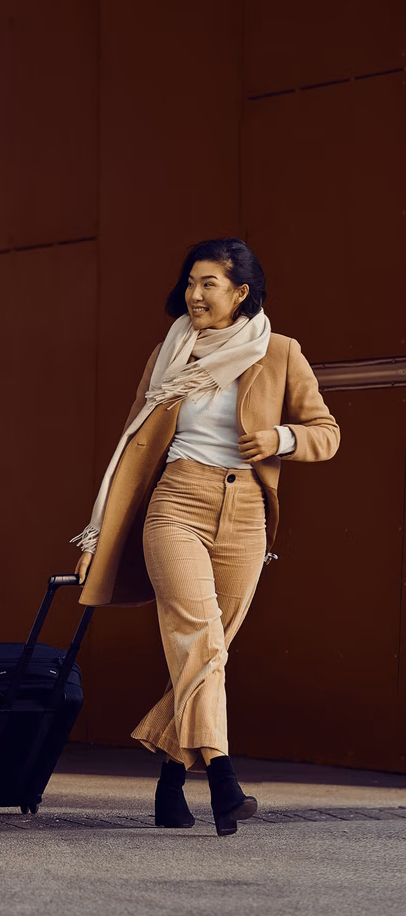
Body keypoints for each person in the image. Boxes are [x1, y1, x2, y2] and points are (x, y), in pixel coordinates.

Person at [71, 238, 339, 836]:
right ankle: (222, 777)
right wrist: (105, 526)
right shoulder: (171, 354)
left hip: (246, 511)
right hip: (176, 503)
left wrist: (281, 439)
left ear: (240, 293)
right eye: (190, 282)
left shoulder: (280, 352)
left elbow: (328, 432)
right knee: (197, 636)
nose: (194, 294)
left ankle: (170, 784)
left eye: (208, 284)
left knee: (207, 652)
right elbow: (136, 440)